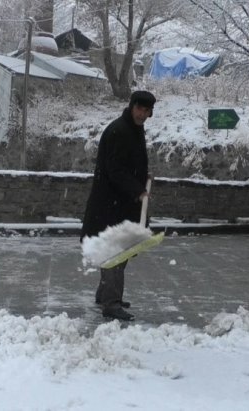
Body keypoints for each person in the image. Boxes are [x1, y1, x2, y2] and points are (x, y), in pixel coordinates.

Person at [81, 90, 156, 321]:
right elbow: (114, 170)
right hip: (110, 205)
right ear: (132, 106)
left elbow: (128, 164)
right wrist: (137, 189)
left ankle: (105, 294)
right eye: (140, 109)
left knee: (119, 251)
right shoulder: (119, 130)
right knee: (115, 252)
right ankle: (111, 304)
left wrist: (142, 177)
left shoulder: (132, 129)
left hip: (120, 204)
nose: (143, 114)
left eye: (147, 111)